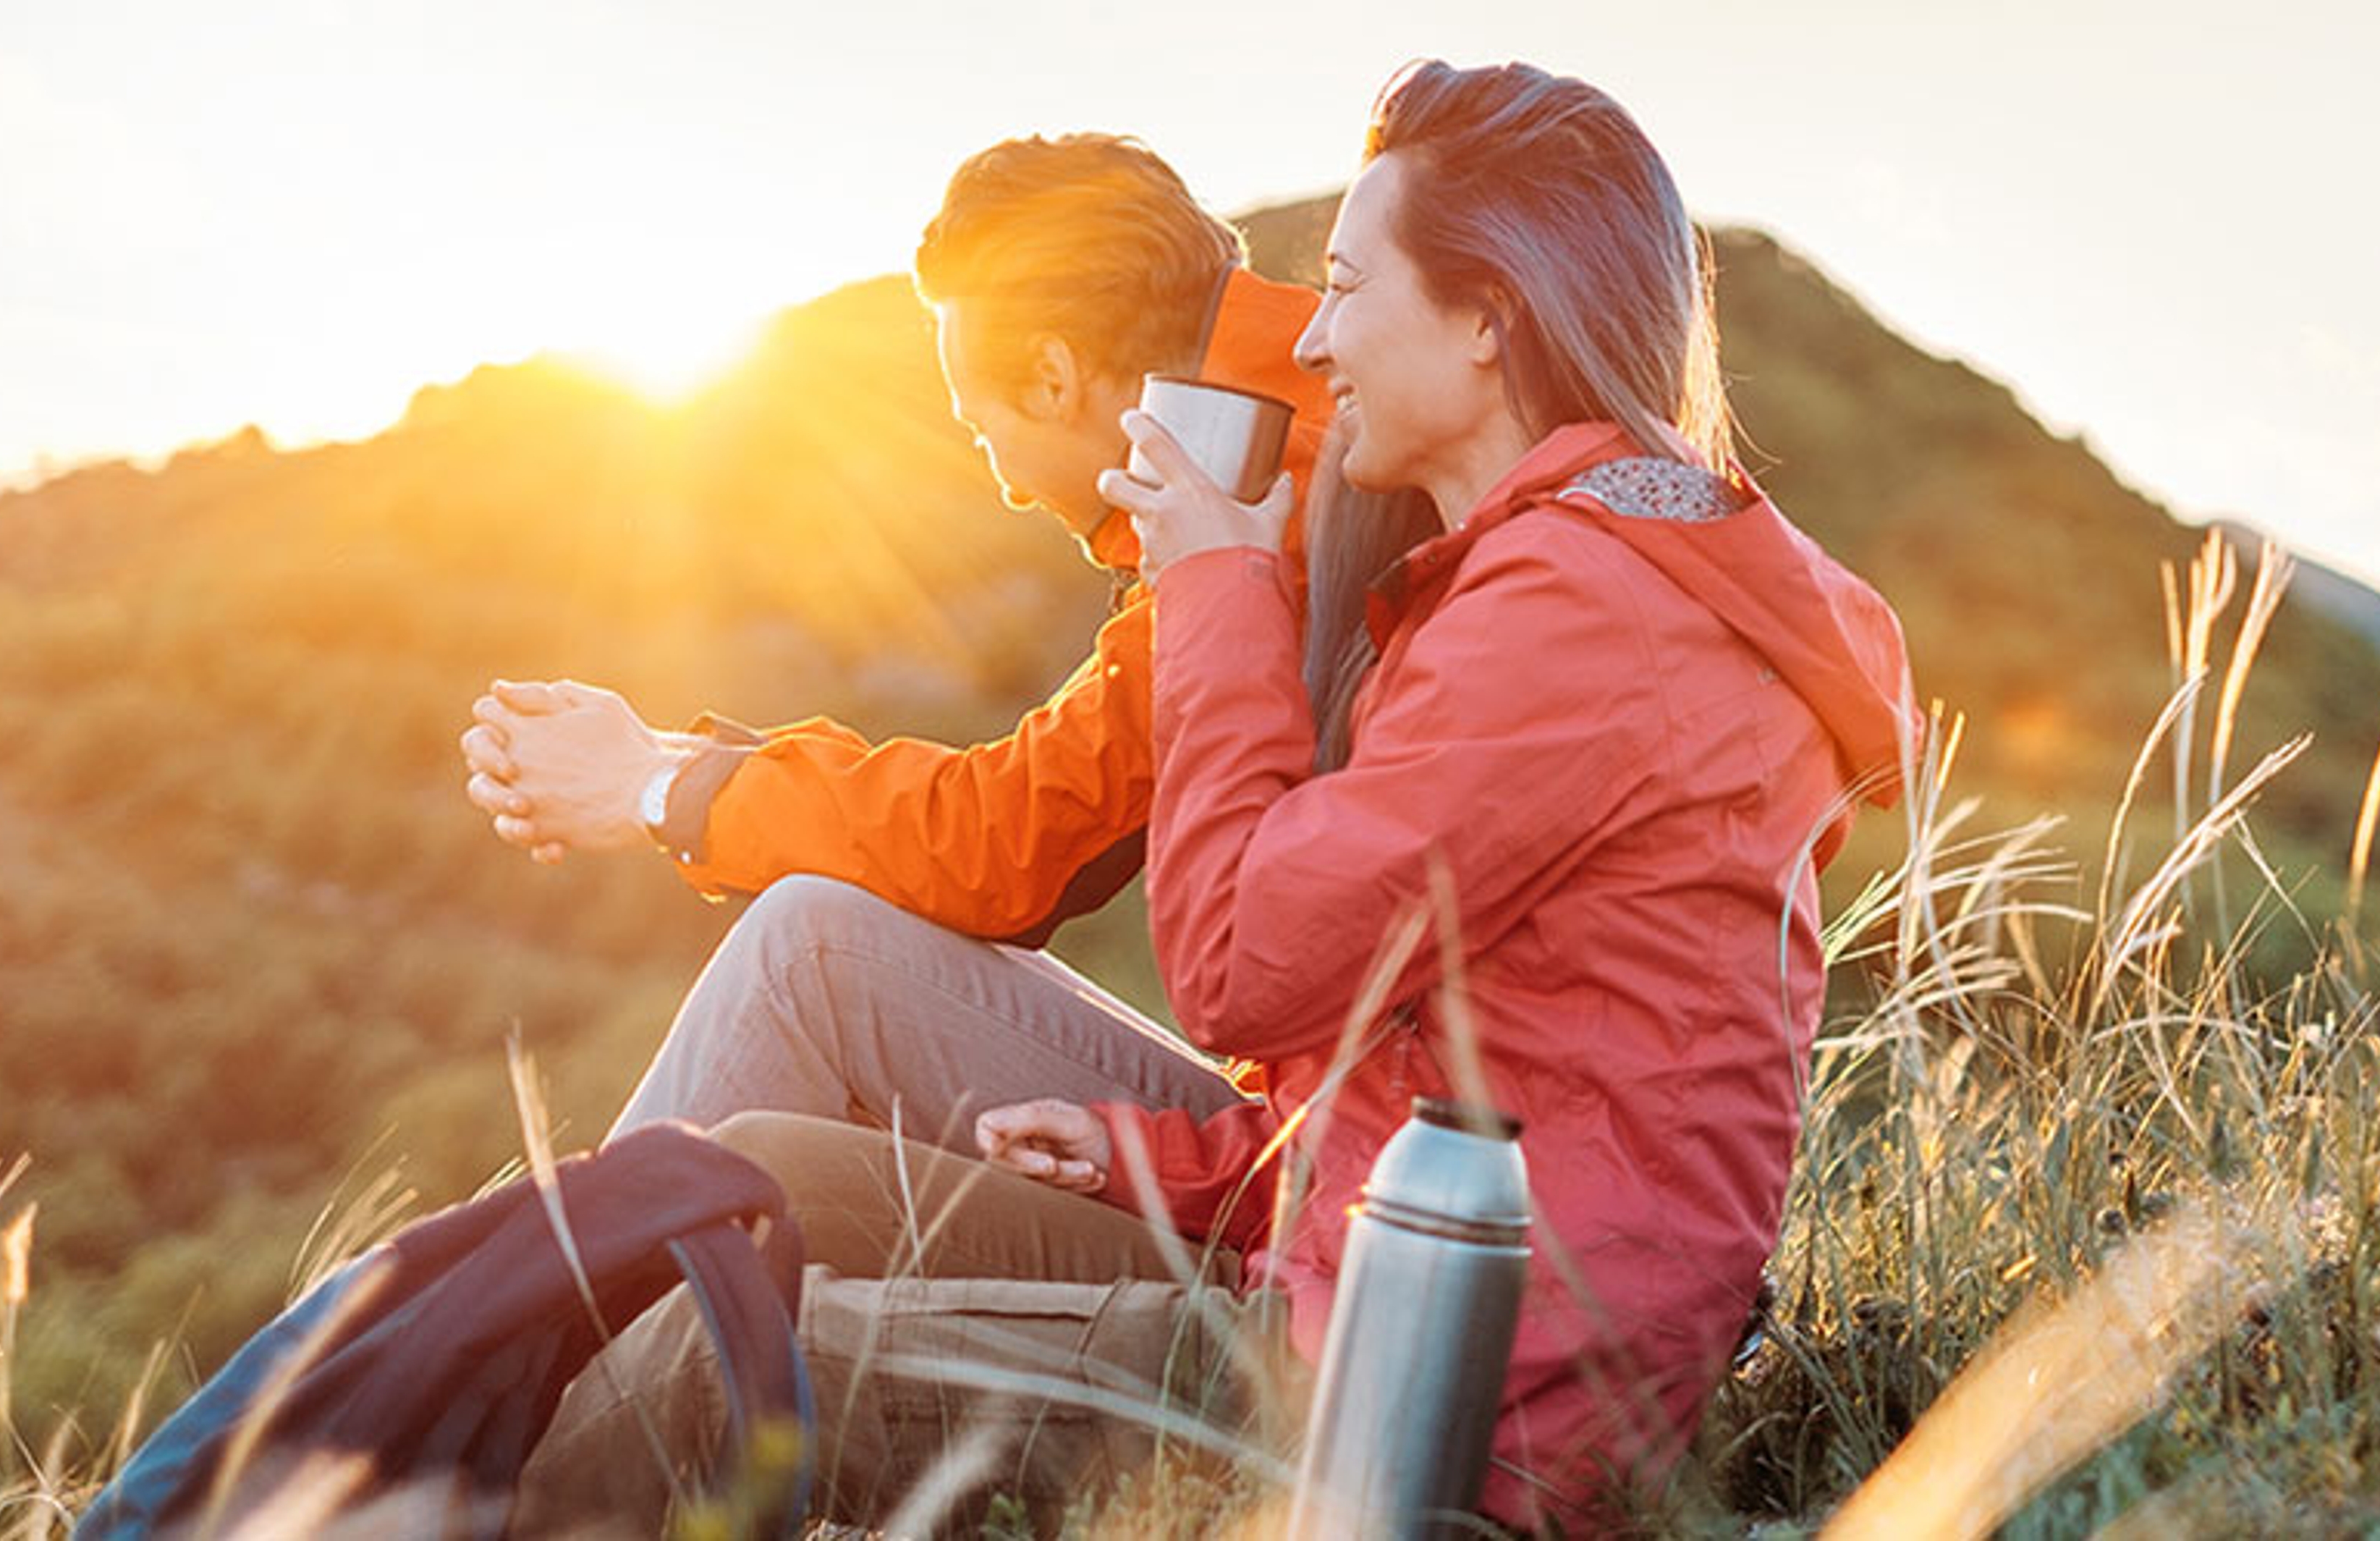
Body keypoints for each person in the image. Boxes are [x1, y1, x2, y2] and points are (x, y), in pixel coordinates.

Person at [517, 59, 1914, 1534]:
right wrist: (1158, 1160)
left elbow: (1239, 969)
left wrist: (1215, 582)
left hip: (1427, 1410)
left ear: (1489, 319)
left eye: (1347, 287)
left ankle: (385, 1473)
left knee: (707, 1364)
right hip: (1379, 1282)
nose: (1311, 338)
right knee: (747, 1185)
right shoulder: (1543, 569)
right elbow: (1458, 1063)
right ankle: (425, 1403)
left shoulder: (1564, 606)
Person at [457, 133, 1333, 1154]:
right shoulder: (1302, 423)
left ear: (1054, 378)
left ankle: (544, 1300)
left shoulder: (1278, 495)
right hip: (1321, 1123)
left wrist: (662, 794)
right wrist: (674, 762)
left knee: (810, 948)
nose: (1003, 478)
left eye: (980, 426)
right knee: (813, 951)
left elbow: (1006, 844)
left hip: (1321, 1165)